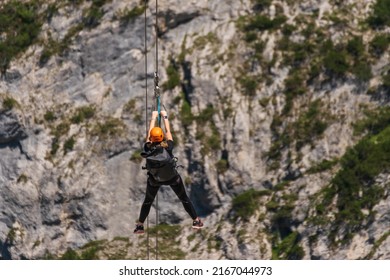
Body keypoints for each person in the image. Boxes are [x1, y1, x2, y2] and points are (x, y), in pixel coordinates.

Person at [134, 110, 203, 234]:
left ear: (151, 138)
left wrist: (153, 117)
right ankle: (196, 220)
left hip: (155, 180)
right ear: (162, 137)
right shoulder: (168, 146)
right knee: (184, 199)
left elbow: (149, 134)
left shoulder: (147, 148)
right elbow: (168, 131)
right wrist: (164, 116)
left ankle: (140, 225)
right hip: (173, 178)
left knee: (147, 202)